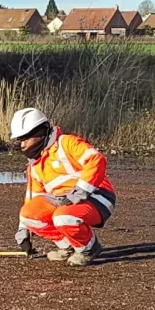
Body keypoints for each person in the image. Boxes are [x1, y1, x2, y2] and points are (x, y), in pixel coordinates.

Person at [8, 104, 113, 265]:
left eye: (25, 139)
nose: (22, 145)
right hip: (64, 201)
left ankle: (89, 248)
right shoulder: (34, 165)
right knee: (28, 214)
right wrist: (24, 229)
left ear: (40, 132)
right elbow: (33, 199)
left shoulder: (66, 143)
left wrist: (79, 192)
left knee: (63, 217)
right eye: (19, 140)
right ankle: (69, 246)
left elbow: (96, 160)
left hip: (97, 195)